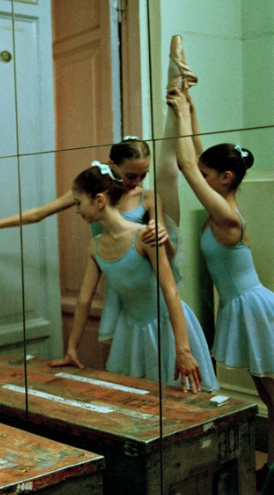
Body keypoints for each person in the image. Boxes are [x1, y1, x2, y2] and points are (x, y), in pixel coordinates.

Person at [169, 86, 274, 481]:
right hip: (246, 306)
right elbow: (197, 160)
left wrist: (178, 110)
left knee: (273, 397)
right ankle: (271, 468)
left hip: (254, 309)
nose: (201, 176)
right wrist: (192, 107)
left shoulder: (227, 217)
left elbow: (185, 164)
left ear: (225, 178)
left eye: (208, 175)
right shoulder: (226, 205)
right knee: (269, 397)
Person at [48, 164, 218, 393]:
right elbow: (83, 301)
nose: (76, 210)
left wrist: (183, 349)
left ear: (99, 200)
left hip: (167, 327)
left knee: (179, 396)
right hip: (131, 330)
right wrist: (71, 349)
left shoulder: (143, 237)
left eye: (79, 203)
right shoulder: (95, 246)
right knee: (135, 397)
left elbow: (170, 291)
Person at [0, 138, 173, 344]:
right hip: (112, 276)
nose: (137, 181)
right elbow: (39, 213)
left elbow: (167, 251)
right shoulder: (91, 191)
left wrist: (162, 235)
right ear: (113, 165)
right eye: (131, 175)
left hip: (140, 282)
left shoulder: (148, 198)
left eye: (144, 175)